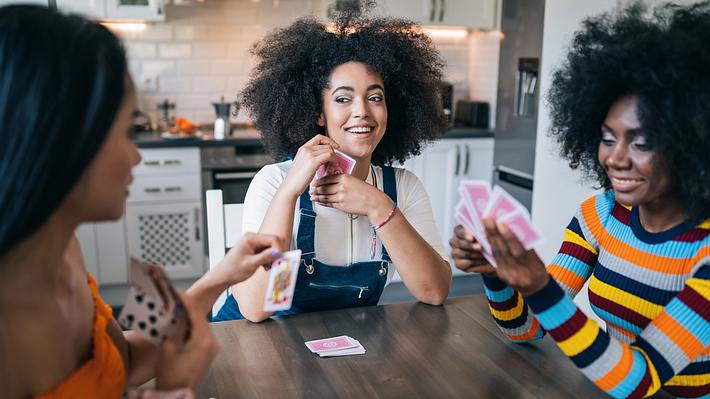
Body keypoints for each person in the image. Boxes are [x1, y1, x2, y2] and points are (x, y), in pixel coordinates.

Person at [0, 5, 282, 398]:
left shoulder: (65, 251)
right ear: (61, 139)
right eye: (127, 131)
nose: (137, 156)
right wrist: (175, 388)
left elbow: (124, 361)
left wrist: (220, 277)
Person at [450, 2, 710, 398]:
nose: (615, 158)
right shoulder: (600, 215)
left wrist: (539, 285)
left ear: (691, 145)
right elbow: (525, 329)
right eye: (607, 138)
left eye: (641, 143)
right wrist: (496, 272)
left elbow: (637, 379)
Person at [213, 12, 453, 322]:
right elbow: (260, 308)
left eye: (375, 97)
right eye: (343, 99)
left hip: (343, 349)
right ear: (318, 115)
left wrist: (379, 207)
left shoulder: (402, 188)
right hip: (254, 344)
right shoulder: (275, 182)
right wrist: (288, 196)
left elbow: (434, 292)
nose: (362, 112)